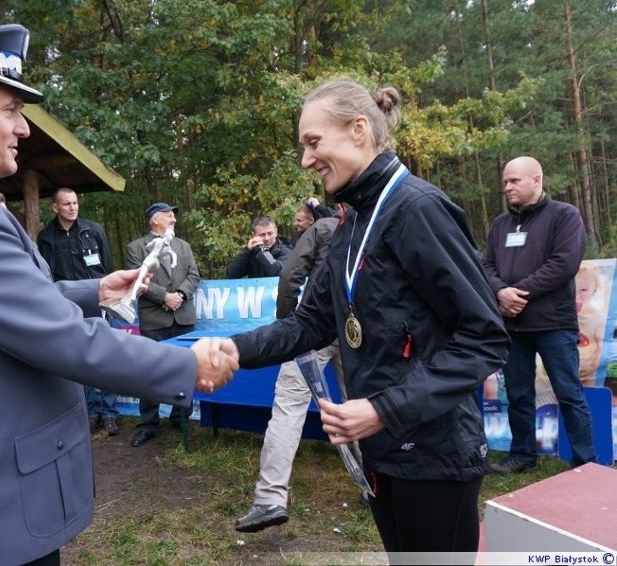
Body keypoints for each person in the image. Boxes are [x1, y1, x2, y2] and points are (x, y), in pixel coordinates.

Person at [0, 25, 233, 566]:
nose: (23, 129)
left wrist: (93, 291)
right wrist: (182, 366)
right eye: (12, 110)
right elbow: (58, 338)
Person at [205, 78, 510, 555]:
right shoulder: (352, 221)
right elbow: (311, 323)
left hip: (434, 456)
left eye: (313, 142)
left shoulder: (418, 209)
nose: (306, 160)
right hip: (382, 451)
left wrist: (382, 410)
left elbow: (485, 338)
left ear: (359, 130)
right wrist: (235, 349)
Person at [235, 206, 348, 533]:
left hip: (315, 326)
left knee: (288, 407)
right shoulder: (382, 221)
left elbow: (290, 275)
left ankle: (270, 498)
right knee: (361, 404)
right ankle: (378, 486)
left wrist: (288, 325)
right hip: (360, 330)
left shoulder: (324, 227)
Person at [482, 156, 597, 472]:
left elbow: (563, 264)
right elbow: (487, 265)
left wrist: (518, 292)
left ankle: (585, 461)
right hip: (513, 325)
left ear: (537, 180)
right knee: (518, 394)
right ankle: (522, 456)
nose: (507, 187)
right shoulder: (500, 225)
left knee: (569, 393)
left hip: (553, 324)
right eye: (505, 181)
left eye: (514, 180)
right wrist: (500, 292)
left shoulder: (564, 216)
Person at [37, 187, 119, 435]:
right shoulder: (45, 237)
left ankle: (110, 413)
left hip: (96, 299)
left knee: (105, 354)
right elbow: (46, 273)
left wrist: (109, 299)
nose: (72, 208)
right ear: (55, 207)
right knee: (80, 357)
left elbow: (107, 267)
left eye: (75, 203)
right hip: (66, 304)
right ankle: (91, 412)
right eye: (66, 204)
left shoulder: (93, 230)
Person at [126, 202, 201, 447]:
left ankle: (181, 417)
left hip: (183, 317)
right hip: (155, 320)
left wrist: (179, 294)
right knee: (151, 372)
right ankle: (148, 424)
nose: (174, 220)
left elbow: (194, 275)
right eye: (169, 216)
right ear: (154, 220)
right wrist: (164, 297)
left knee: (185, 370)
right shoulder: (136, 248)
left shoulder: (183, 245)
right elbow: (138, 279)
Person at [226, 216, 292, 278]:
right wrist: (247, 251)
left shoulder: (286, 251)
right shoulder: (251, 252)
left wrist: (262, 250)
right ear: (254, 235)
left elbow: (276, 271)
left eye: (270, 233)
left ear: (276, 232)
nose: (267, 238)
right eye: (262, 235)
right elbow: (231, 274)